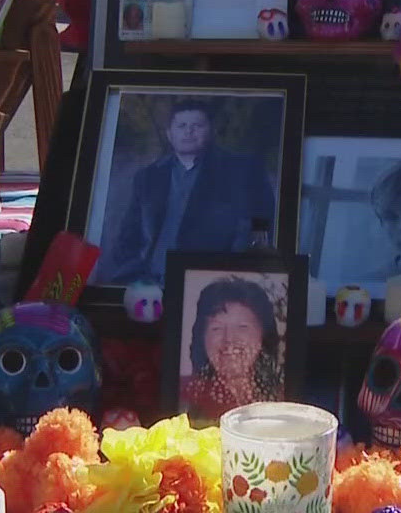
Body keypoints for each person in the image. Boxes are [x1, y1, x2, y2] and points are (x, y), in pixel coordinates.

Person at [101, 100, 277, 283]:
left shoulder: (241, 171)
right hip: (148, 281)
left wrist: (230, 276)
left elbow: (258, 230)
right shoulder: (148, 177)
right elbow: (129, 234)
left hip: (210, 282)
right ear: (169, 134)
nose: (188, 131)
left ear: (212, 131)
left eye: (197, 125)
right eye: (181, 125)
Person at [180, 277, 282, 421]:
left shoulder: (284, 397)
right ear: (202, 337)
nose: (229, 339)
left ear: (263, 335)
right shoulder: (182, 396)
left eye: (242, 327)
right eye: (217, 328)